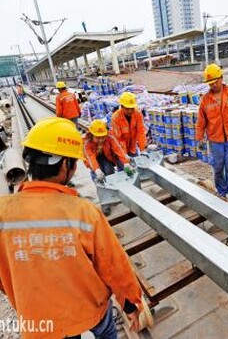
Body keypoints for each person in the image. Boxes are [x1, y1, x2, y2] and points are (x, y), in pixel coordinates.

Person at [0, 117, 142, 338]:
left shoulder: (2, 213)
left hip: (37, 325)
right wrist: (131, 304)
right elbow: (114, 265)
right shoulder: (83, 213)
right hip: (90, 319)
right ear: (67, 165)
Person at [195, 63, 228, 202]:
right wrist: (199, 138)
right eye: (210, 83)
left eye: (215, 82)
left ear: (222, 78)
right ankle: (222, 191)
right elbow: (201, 122)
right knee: (218, 167)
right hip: (215, 139)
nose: (213, 85)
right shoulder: (205, 100)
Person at [111, 92, 147, 157]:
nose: (130, 111)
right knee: (125, 166)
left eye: (132, 108)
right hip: (120, 148)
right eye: (127, 108)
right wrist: (124, 154)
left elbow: (141, 132)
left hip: (132, 147)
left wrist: (142, 149)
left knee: (137, 164)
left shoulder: (138, 114)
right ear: (122, 106)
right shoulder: (116, 118)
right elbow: (118, 138)